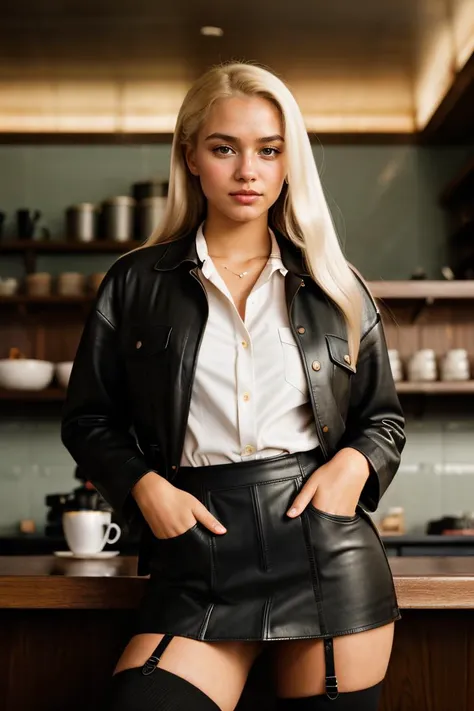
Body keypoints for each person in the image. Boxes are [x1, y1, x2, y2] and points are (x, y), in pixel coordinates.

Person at [61, 61, 406, 711]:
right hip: (197, 557)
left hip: (325, 552)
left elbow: (383, 420)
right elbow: (87, 419)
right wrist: (144, 486)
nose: (248, 170)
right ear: (190, 155)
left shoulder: (337, 281)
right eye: (225, 148)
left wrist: (353, 467)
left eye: (268, 150)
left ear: (287, 162)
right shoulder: (134, 285)